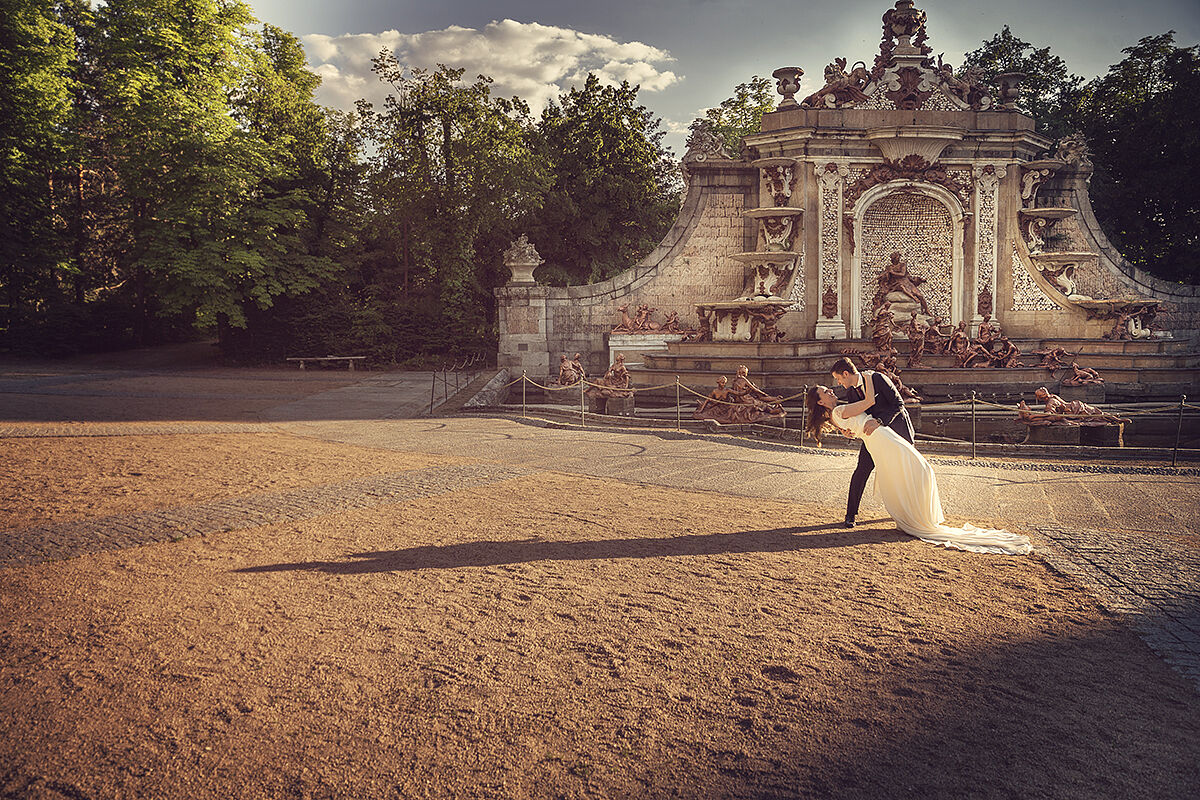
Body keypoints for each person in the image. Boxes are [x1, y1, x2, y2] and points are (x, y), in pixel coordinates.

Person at [805, 380, 1032, 555]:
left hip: (880, 438)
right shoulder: (838, 411)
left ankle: (913, 513)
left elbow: (852, 428)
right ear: (820, 401)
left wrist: (850, 430)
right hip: (882, 437)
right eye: (826, 392)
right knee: (919, 470)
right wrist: (869, 377)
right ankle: (915, 516)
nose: (832, 390)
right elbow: (867, 404)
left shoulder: (835, 414)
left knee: (911, 471)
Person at [827, 357, 913, 529]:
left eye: (838, 379)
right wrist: (846, 430)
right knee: (861, 470)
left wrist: (880, 421)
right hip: (874, 435)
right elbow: (856, 415)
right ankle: (851, 515)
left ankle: (909, 512)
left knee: (905, 471)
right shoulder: (851, 392)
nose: (838, 383)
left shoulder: (877, 378)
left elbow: (899, 404)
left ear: (846, 374)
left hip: (897, 429)